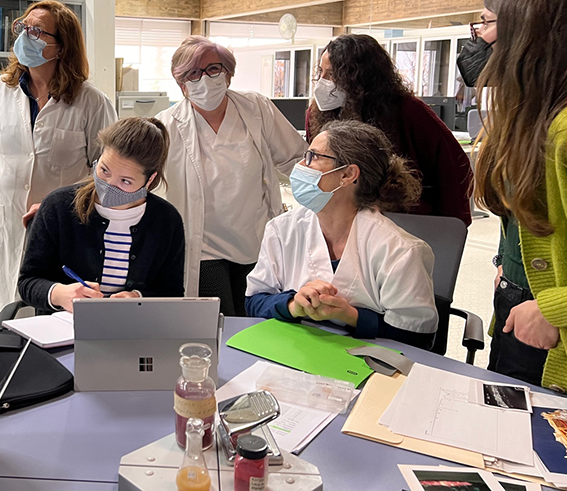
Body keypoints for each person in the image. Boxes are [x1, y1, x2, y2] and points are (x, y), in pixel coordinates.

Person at [0, 0, 117, 324]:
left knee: (50, 317)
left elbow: (104, 171)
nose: (25, 36)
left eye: (37, 31)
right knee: (0, 310)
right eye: (23, 27)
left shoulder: (91, 101)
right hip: (3, 215)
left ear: (61, 47)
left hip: (61, 224)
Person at [245, 120, 438, 349]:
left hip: (368, 365)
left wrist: (352, 316)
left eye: (312, 157)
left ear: (347, 174)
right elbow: (254, 301)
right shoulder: (282, 230)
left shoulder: (399, 250)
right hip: (295, 351)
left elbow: (418, 337)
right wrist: (292, 305)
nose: (300, 165)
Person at [157, 36, 307, 316]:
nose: (204, 79)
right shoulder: (166, 125)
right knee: (221, 325)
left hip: (255, 242)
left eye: (213, 68)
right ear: (182, 85)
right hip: (204, 249)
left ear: (228, 73)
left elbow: (295, 158)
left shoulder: (256, 108)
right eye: (193, 73)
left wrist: (324, 196)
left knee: (257, 322)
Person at [475, 0, 567, 390]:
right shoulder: (526, 120)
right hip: (516, 299)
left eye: (486, 23)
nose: (479, 39)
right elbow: (523, 213)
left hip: (548, 317)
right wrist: (505, 262)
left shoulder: (563, 132)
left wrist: (556, 309)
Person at [306, 33, 474, 226]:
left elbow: (453, 163)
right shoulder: (318, 114)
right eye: (321, 72)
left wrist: (449, 224)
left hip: (402, 219)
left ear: (360, 77)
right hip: (341, 219)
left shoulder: (409, 111)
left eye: (333, 74)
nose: (322, 81)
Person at [18, 117, 184, 312]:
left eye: (125, 181)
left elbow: (172, 291)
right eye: (104, 170)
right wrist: (60, 294)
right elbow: (28, 282)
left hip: (134, 329)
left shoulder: (166, 221)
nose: (109, 185)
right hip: (63, 330)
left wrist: (138, 298)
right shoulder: (58, 207)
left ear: (150, 180)